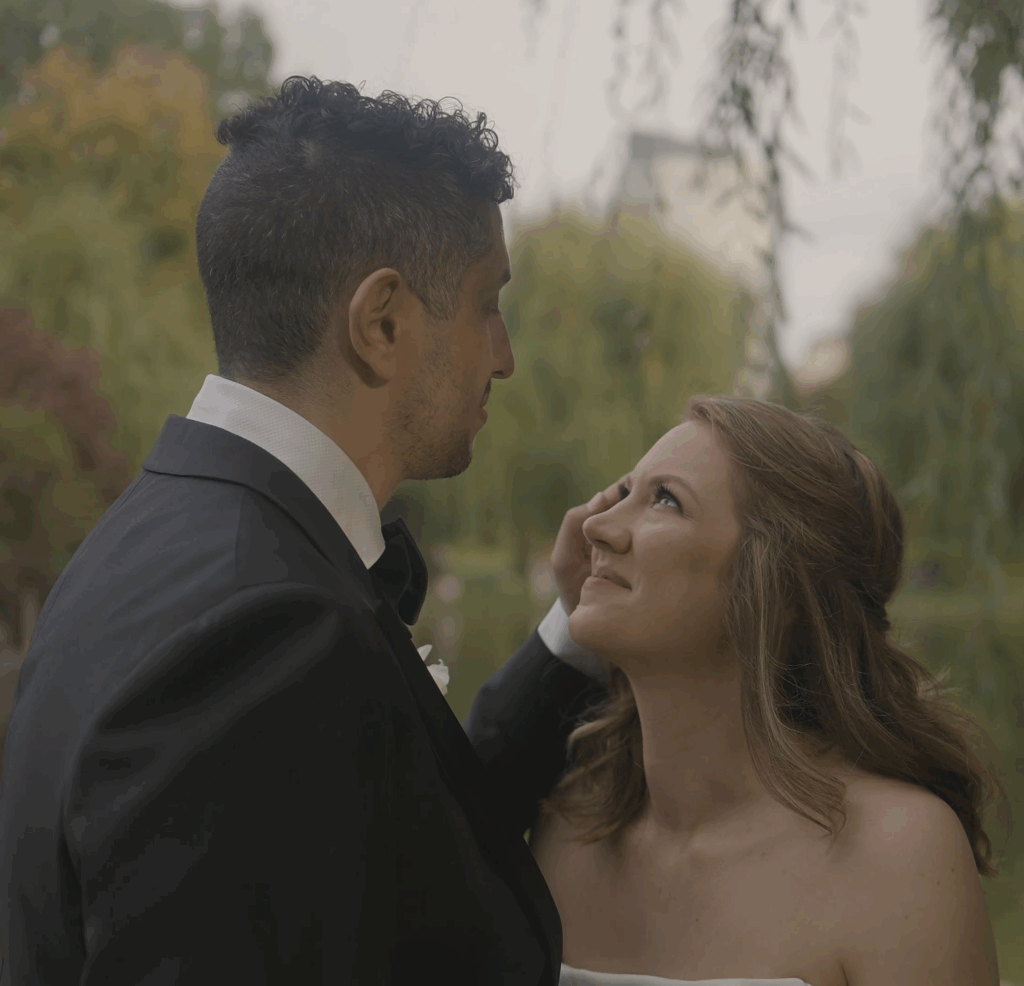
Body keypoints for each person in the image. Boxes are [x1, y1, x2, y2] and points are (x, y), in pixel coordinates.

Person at [0, 77, 606, 985]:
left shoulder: (155, 535)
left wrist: (568, 634)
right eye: (488, 303)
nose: (506, 355)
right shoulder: (269, 635)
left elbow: (395, 835)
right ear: (382, 321)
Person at [467, 396, 1005, 986]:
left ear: (778, 587)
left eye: (665, 499)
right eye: (622, 494)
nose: (592, 525)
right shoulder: (567, 825)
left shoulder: (899, 854)